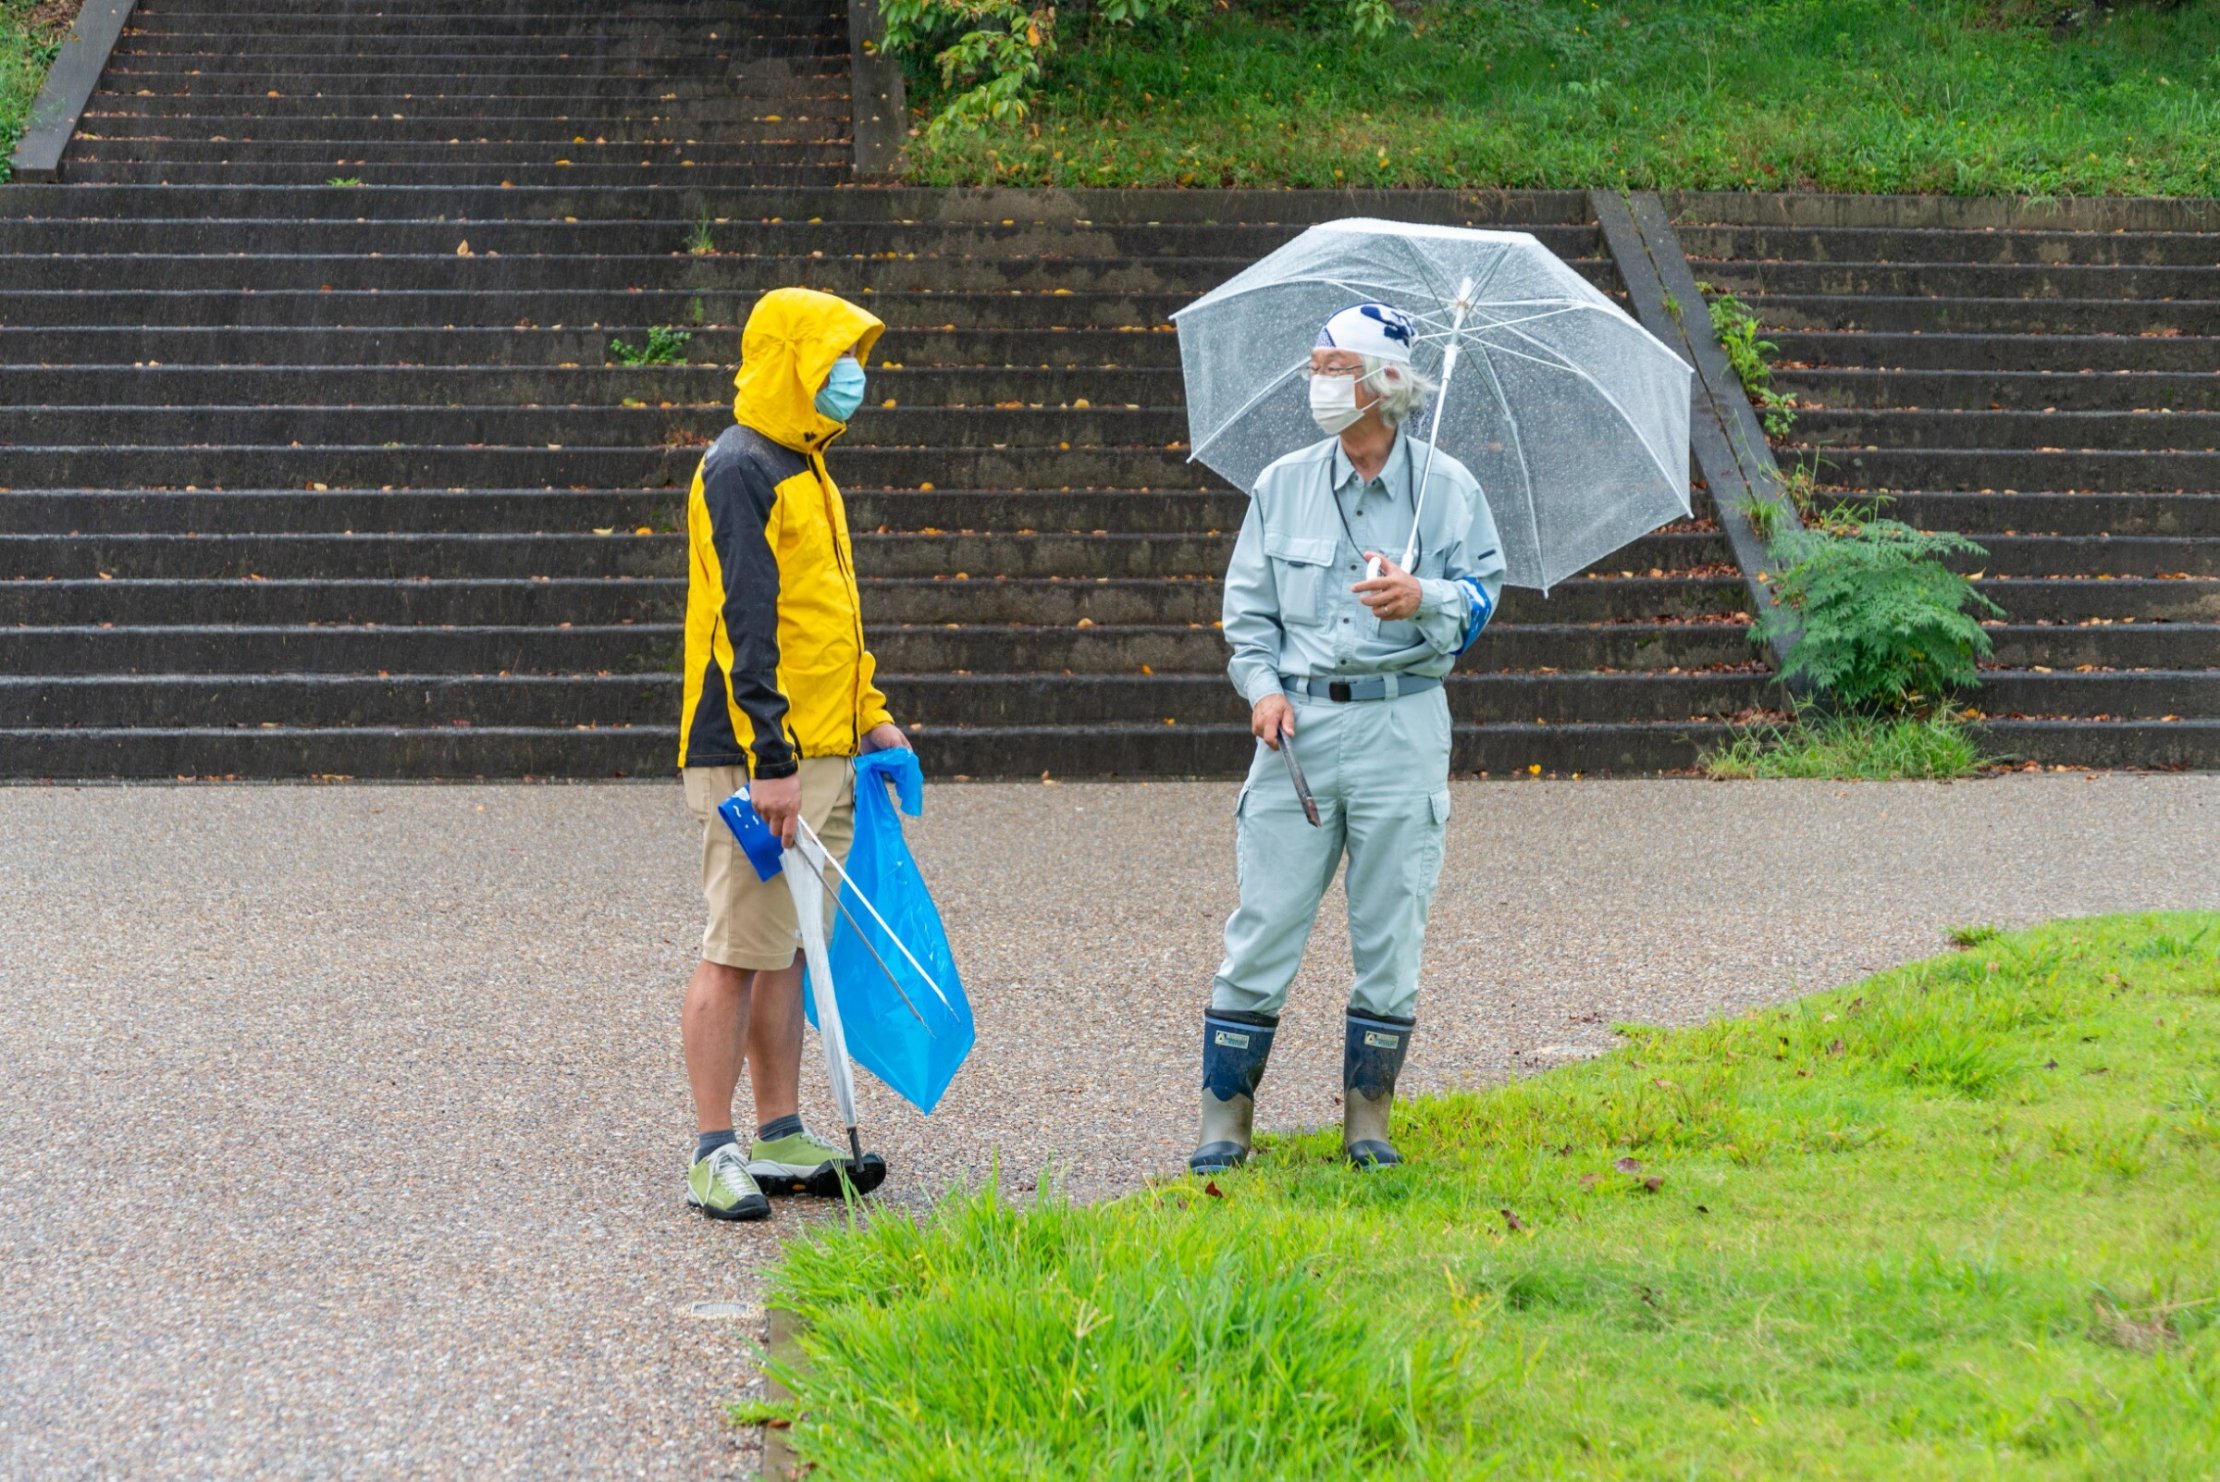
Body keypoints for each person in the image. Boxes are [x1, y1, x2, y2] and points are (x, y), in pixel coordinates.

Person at [1190, 302, 1506, 1175]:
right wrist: (1261, 691)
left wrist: (1424, 597)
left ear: (1383, 383)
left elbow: (1483, 597)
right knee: (1262, 925)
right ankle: (1224, 1120)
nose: (1316, 381)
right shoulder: (1281, 483)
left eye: (1333, 367)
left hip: (1403, 724)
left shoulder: (1449, 490)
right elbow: (1247, 616)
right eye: (1315, 364)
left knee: (1391, 930)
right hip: (1296, 732)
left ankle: (1369, 1119)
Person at [677, 286, 908, 1222]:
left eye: (854, 357)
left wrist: (872, 718)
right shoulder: (740, 467)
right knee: (737, 948)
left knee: (789, 951)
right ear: (792, 360)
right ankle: (712, 1149)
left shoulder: (809, 466)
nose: (851, 374)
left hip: (823, 750)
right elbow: (748, 621)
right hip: (757, 755)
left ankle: (778, 1134)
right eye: (835, 356)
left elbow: (828, 619)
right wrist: (770, 760)